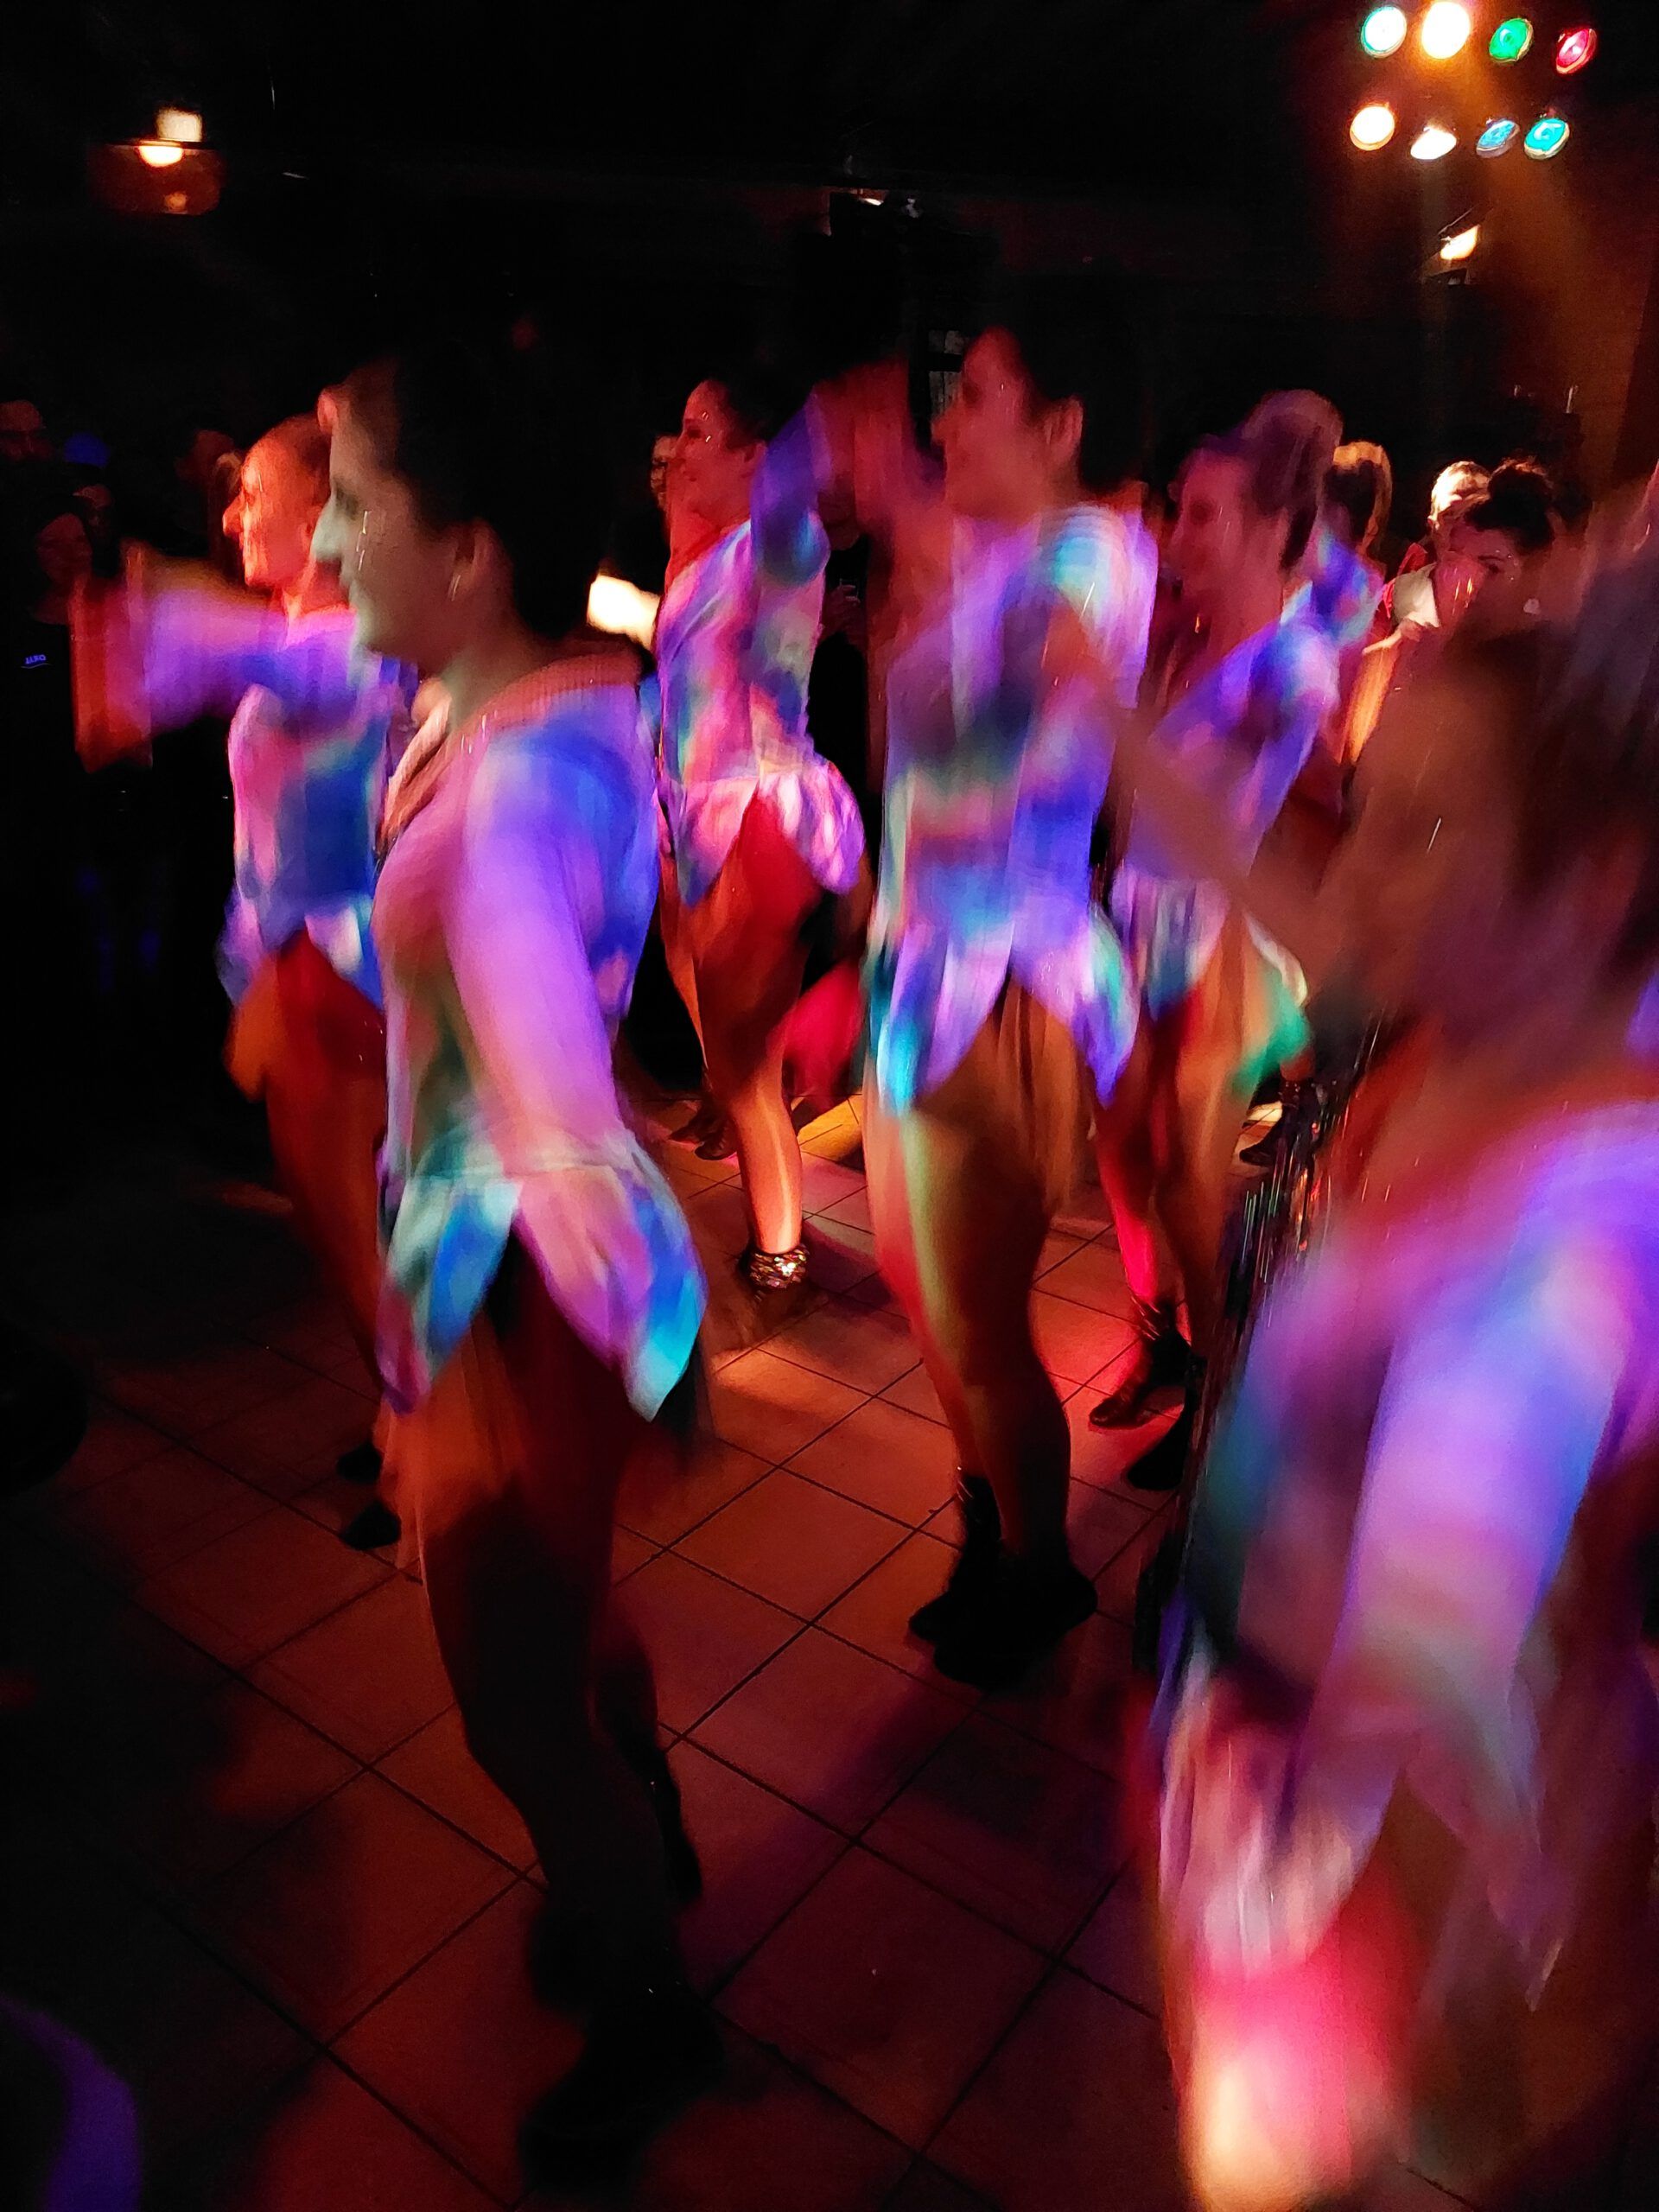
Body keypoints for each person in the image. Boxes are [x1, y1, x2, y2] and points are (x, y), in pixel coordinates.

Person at [1152, 534, 1659, 2212]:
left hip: (1371, 1886)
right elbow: (1301, 894)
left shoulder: (1558, 1241)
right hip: (1305, 1792)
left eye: (1426, 827)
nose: (1361, 862)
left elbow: (1432, 1662)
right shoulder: (1483, 1027)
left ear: (1594, 885)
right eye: (1372, 803)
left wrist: (1320, 2016)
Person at [310, 338, 713, 2177]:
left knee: (509, 1699)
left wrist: (635, 1308)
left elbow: (551, 1095)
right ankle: (648, 1825)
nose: (327, 540)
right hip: (519, 1259)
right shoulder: (530, 701)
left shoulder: (510, 795)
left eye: (352, 503)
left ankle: (652, 2002)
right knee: (562, 1622)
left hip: (523, 1276)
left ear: (469, 550)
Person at [821, 272, 1158, 1689]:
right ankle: (988, 1532)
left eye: (974, 400)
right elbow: (921, 756)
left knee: (982, 1315)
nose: (946, 424)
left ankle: (1040, 1572)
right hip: (920, 966)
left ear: (1062, 425)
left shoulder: (1093, 555)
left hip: (1002, 980)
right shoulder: (992, 558)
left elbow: (1042, 699)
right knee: (920, 1283)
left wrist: (913, 532)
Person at [73, 416, 412, 1537]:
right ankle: (403, 1420)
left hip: (336, 965)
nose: (230, 515)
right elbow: (117, 726)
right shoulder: (301, 631)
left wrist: (166, 599)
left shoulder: (349, 642)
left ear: (324, 516)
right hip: (297, 963)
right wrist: (122, 639)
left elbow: (264, 661)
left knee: (352, 1226)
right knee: (342, 1224)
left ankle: (432, 1455)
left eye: (253, 493)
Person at [1091, 394, 1344, 1484]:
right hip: (1138, 914)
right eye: (1176, 510)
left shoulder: (1289, 665)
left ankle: (1220, 1405)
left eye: (1202, 515)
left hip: (1217, 937)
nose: (1176, 534)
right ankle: (1167, 1344)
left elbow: (1301, 796)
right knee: (1123, 1151)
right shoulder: (1182, 639)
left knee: (1190, 1180)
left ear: (1265, 528)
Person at [653, 369, 866, 1285]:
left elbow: (789, 513)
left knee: (748, 1071)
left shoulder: (777, 547)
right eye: (682, 427)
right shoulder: (705, 554)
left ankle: (779, 1254)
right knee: (732, 1055)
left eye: (701, 431)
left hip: (757, 819)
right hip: (697, 813)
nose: (679, 450)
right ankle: (773, 1226)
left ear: (757, 458)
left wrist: (824, 419)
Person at [1346, 461, 1559, 764]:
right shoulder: (1410, 648)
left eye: (1491, 568)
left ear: (1533, 575)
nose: (1465, 586)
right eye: (1455, 563)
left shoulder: (1545, 683)